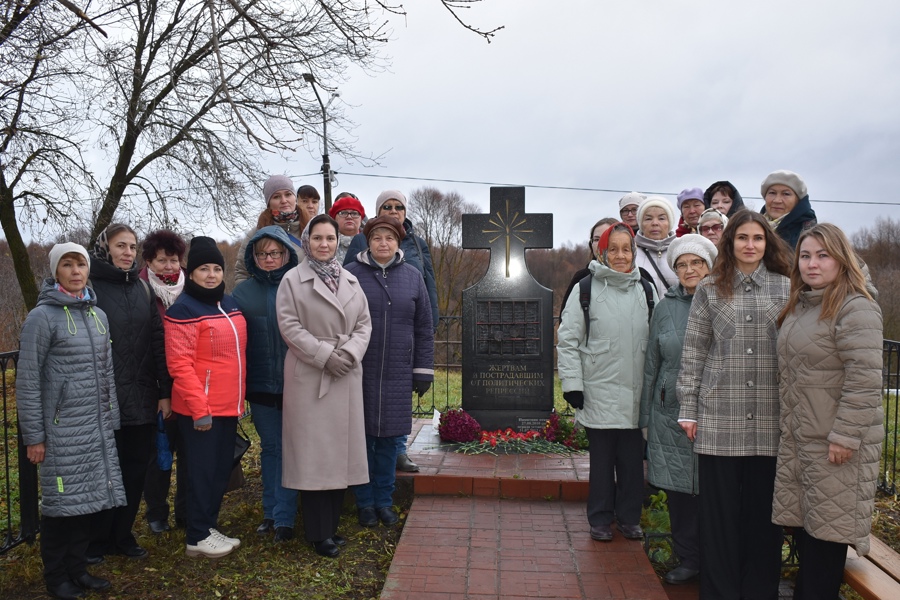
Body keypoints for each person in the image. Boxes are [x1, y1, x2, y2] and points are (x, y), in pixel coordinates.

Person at [677, 209, 793, 599]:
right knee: (720, 518)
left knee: (764, 517)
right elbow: (694, 352)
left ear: (767, 243)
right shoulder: (710, 289)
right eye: (742, 237)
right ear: (730, 243)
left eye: (757, 238)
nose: (749, 245)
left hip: (770, 418)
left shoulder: (787, 287)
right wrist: (688, 408)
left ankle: (759, 591)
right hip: (719, 418)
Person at [773, 223, 883, 600]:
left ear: (841, 259)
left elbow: (864, 379)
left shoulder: (856, 307)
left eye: (822, 256)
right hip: (802, 440)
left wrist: (845, 436)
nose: (812, 264)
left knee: (825, 541)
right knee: (810, 534)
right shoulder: (804, 303)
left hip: (835, 447)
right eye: (805, 256)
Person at [18, 243, 126, 599]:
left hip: (94, 430)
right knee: (61, 508)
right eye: (67, 264)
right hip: (61, 432)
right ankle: (56, 576)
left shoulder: (98, 315)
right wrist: (34, 436)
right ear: (55, 271)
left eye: (81, 263)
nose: (76, 271)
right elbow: (29, 380)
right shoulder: (42, 318)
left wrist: (110, 421)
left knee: (88, 503)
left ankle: (78, 570)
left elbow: (107, 373)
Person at [277, 214, 372, 558]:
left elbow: (364, 324)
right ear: (307, 241)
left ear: (337, 241)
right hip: (312, 374)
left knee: (339, 455)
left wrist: (348, 353)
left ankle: (330, 528)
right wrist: (324, 355)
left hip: (345, 372)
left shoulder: (350, 279)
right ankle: (318, 534)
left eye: (330, 238)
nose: (324, 244)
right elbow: (289, 327)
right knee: (315, 457)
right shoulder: (291, 279)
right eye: (317, 238)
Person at [557, 223, 657, 543]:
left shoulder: (646, 289)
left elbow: (656, 341)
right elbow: (569, 340)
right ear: (601, 251)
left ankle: (629, 518)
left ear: (634, 251)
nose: (620, 255)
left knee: (631, 461)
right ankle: (600, 517)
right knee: (602, 463)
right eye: (612, 248)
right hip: (598, 390)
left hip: (635, 391)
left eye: (626, 248)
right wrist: (573, 384)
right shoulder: (585, 289)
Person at [86, 224, 172, 562]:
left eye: (133, 247)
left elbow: (156, 341)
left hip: (140, 395)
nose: (127, 253)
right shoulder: (90, 286)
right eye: (120, 246)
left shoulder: (142, 289)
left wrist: (164, 392)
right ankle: (96, 540)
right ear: (105, 248)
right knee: (103, 471)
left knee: (135, 469)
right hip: (101, 399)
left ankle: (122, 535)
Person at [345, 216, 435, 528]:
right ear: (367, 241)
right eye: (377, 238)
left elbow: (424, 326)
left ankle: (384, 500)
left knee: (388, 442)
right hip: (360, 372)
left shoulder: (412, 276)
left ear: (399, 243)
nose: (384, 243)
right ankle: (364, 501)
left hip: (398, 373)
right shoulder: (351, 275)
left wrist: (422, 370)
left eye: (390, 238)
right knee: (363, 440)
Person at [640, 234, 717, 586]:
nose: (689, 270)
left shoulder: (724, 299)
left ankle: (717, 559)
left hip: (717, 410)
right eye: (682, 264)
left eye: (696, 263)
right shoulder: (665, 307)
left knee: (715, 492)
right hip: (669, 412)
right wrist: (645, 418)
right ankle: (689, 558)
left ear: (710, 266)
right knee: (679, 492)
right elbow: (651, 363)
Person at [166, 236, 247, 558]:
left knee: (218, 472)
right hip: (200, 410)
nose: (211, 274)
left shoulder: (229, 303)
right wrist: (200, 409)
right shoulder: (183, 309)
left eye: (216, 268)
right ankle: (196, 535)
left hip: (228, 406)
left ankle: (207, 525)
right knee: (200, 472)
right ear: (191, 272)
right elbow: (179, 365)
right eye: (203, 269)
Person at [232, 226, 300, 542]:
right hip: (260, 387)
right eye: (262, 254)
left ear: (286, 253)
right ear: (253, 257)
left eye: (275, 252)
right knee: (272, 448)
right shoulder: (242, 294)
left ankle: (286, 517)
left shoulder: (299, 286)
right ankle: (271, 513)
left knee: (292, 448)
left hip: (297, 385)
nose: (269, 258)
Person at [140, 229, 188, 534]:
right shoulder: (140, 290)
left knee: (188, 452)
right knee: (158, 454)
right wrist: (161, 389)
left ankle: (186, 510)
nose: (169, 266)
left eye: (173, 260)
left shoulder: (190, 287)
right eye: (162, 260)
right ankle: (157, 512)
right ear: (148, 261)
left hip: (187, 383)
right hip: (155, 382)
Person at [234, 176, 314, 283]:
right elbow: (242, 273)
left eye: (288, 194)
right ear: (269, 203)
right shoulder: (256, 234)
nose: (284, 200)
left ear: (295, 198)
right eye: (276, 197)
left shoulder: (312, 229)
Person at [560, 217, 618, 318]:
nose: (600, 243)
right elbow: (566, 321)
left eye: (606, 237)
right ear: (591, 244)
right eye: (596, 239)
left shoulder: (638, 276)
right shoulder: (581, 278)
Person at [760, 170, 817, 250]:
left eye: (786, 194)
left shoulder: (809, 233)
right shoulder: (753, 227)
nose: (777, 200)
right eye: (772, 193)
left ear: (798, 201)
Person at [634, 196, 677, 297]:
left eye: (661, 218)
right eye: (648, 219)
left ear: (669, 223)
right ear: (641, 223)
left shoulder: (682, 250)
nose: (655, 223)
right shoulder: (631, 252)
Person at [329, 192, 366, 263]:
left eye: (354, 213)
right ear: (334, 218)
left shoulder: (371, 242)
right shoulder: (326, 243)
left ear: (361, 219)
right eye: (343, 213)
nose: (349, 217)